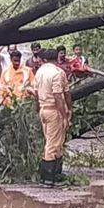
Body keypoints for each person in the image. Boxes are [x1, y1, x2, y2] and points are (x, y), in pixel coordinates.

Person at [33, 49, 71, 185]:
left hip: (43, 110)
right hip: (54, 110)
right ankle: (48, 177)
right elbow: (60, 96)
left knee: (54, 141)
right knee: (53, 144)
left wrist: (38, 109)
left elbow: (35, 94)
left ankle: (55, 174)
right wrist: (66, 114)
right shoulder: (58, 73)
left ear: (44, 60)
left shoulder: (39, 72)